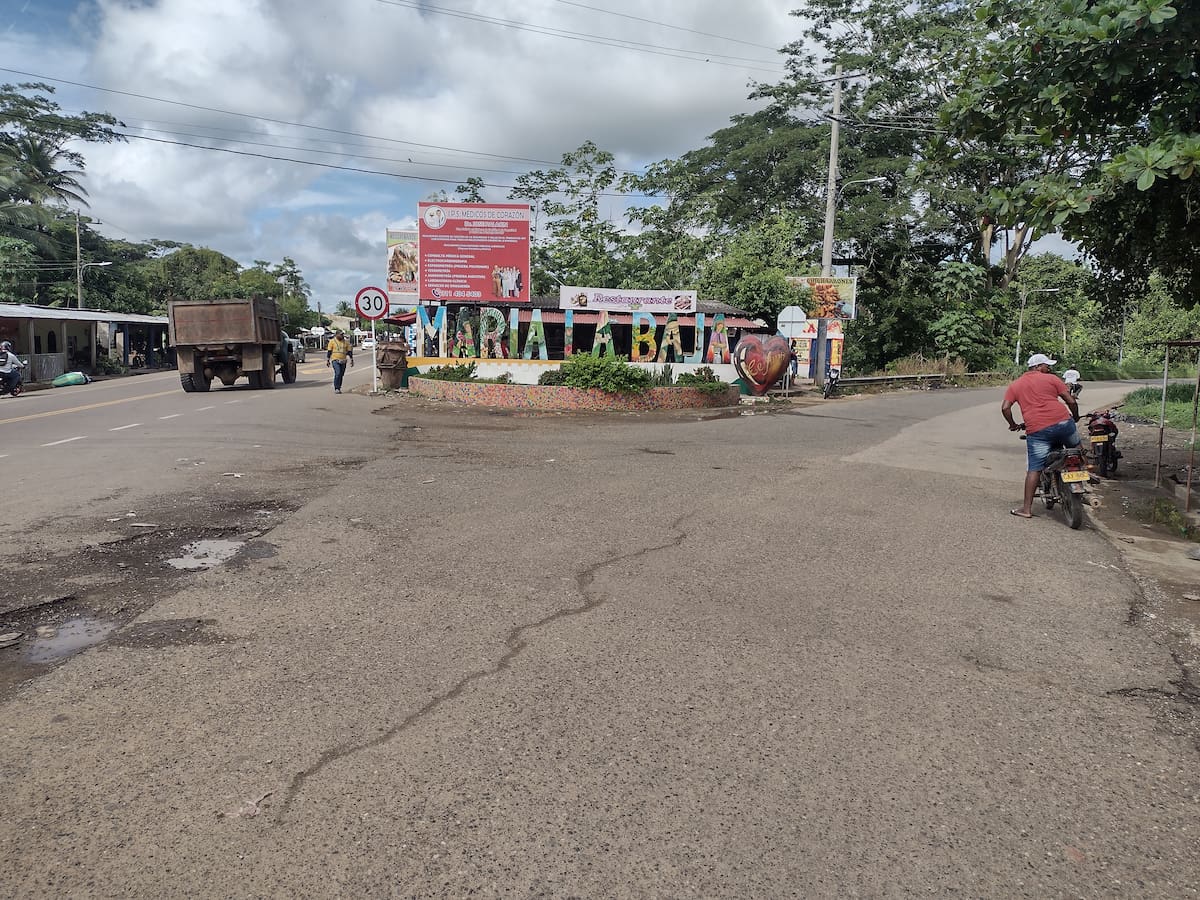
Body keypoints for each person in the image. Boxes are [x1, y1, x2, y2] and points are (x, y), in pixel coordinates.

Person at [1002, 353, 1080, 518]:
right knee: (1077, 449)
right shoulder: (1052, 379)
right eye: (1046, 365)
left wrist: (1013, 424)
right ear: (1037, 367)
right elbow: (1071, 401)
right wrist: (1075, 417)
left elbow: (1005, 408)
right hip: (1064, 423)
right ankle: (1083, 476)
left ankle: (1026, 510)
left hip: (1038, 430)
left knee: (1035, 469)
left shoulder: (1016, 385)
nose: (1049, 368)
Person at [325, 329, 353, 394]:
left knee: (341, 374)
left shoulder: (346, 342)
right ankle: (336, 388)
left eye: (342, 334)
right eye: (341, 334)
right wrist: (328, 360)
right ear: (337, 335)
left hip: (343, 360)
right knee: (338, 373)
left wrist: (351, 360)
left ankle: (339, 387)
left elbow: (349, 352)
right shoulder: (332, 341)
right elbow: (329, 351)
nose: (342, 336)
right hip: (335, 360)